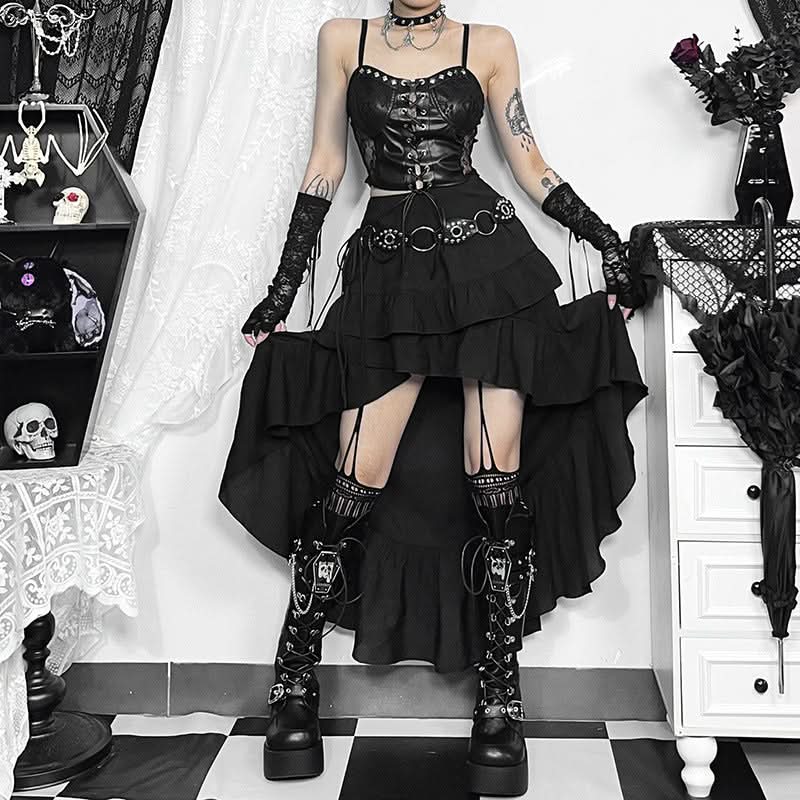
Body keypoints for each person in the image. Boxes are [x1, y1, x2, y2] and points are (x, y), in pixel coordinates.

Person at [219, 2, 648, 796]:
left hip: (490, 267)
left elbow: (528, 160)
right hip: (387, 272)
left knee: (496, 487)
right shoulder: (342, 38)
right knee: (351, 486)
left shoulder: (489, 43)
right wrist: (283, 287)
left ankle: (499, 696)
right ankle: (294, 683)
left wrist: (607, 240)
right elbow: (325, 165)